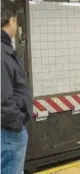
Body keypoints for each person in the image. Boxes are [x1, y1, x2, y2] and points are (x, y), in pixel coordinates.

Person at [1, 0, 32, 174]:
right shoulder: (1, 53)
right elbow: (3, 102)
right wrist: (17, 126)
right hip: (9, 132)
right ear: (11, 21)